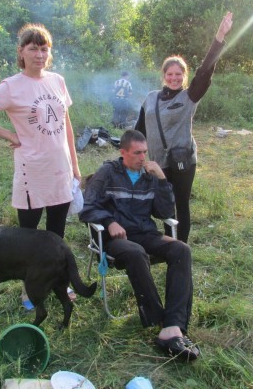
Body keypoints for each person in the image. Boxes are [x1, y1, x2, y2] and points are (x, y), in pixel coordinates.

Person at [0, 22, 81, 309]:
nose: (39, 54)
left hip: (59, 170)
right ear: (21, 52)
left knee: (56, 235)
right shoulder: (11, 86)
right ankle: (29, 290)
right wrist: (8, 134)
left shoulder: (57, 81)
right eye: (33, 49)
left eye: (44, 49)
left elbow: (66, 124)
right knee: (26, 239)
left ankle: (57, 284)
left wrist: (75, 167)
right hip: (32, 172)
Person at [79, 129, 199, 361]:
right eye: (137, 153)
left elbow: (165, 213)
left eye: (145, 152)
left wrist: (163, 181)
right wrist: (109, 221)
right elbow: (86, 207)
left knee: (181, 249)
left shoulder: (150, 176)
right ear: (123, 152)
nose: (143, 158)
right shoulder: (107, 173)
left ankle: (173, 325)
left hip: (145, 233)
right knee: (136, 252)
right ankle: (158, 319)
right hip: (116, 240)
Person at [135, 11, 233, 243]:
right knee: (162, 205)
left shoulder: (189, 97)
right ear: (164, 76)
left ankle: (180, 248)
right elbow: (139, 129)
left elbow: (205, 71)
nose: (174, 78)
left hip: (182, 162)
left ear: (184, 76)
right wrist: (129, 154)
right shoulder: (150, 98)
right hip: (157, 161)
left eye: (178, 74)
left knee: (180, 204)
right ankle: (169, 243)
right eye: (170, 74)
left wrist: (219, 37)